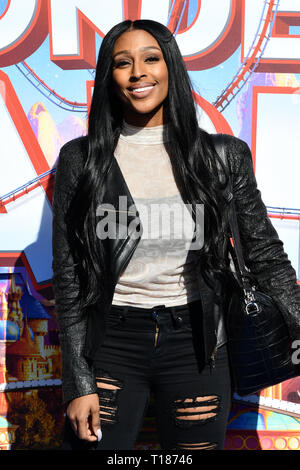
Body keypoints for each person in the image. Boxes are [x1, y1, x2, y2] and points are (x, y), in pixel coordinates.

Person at [51, 19, 300, 450]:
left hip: (197, 344)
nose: (138, 73)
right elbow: (69, 275)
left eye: (151, 58)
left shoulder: (223, 157)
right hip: (111, 342)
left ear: (171, 68)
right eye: (122, 63)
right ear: (108, 78)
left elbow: (265, 255)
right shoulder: (82, 159)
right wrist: (77, 381)